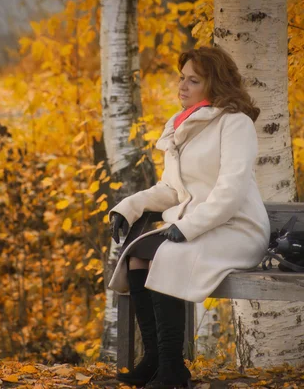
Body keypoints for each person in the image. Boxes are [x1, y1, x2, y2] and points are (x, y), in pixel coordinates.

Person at [108, 46, 271, 389]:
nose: (182, 86)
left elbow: (231, 191)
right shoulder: (181, 125)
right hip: (195, 228)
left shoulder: (234, 123)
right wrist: (130, 207)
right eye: (182, 78)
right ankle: (155, 357)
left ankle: (172, 369)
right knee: (137, 254)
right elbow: (172, 188)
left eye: (193, 80)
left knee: (170, 254)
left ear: (216, 83)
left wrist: (187, 227)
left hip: (237, 230)